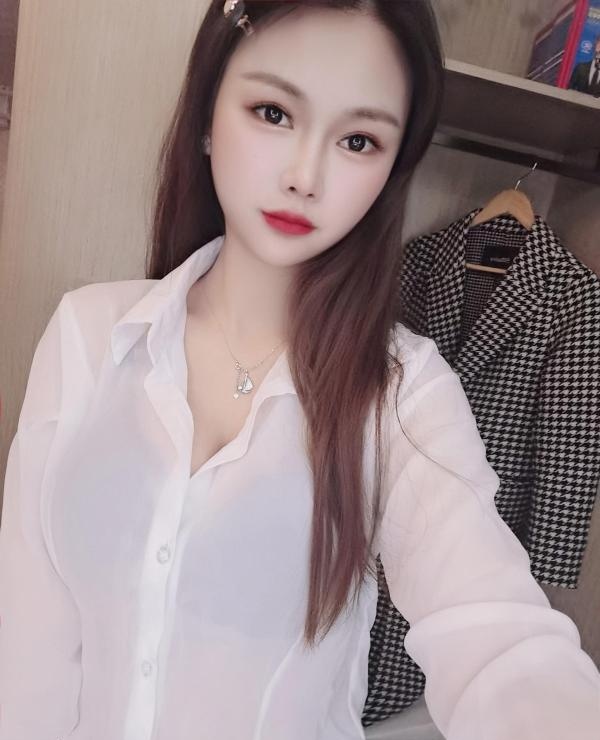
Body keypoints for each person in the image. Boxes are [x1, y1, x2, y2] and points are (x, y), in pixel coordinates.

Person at [0, 2, 599, 739]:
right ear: (207, 113)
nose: (305, 176)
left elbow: (499, 636)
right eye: (274, 113)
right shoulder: (87, 335)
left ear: (391, 169)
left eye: (358, 140)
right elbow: (29, 648)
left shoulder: (404, 396)